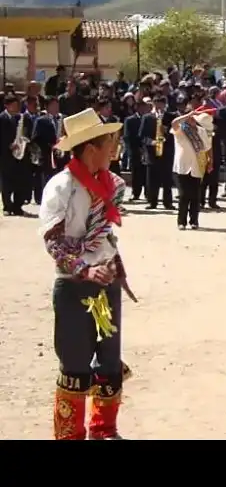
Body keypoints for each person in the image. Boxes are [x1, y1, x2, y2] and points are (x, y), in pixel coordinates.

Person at [38, 108, 130, 440]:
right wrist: (84, 269)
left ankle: (104, 429)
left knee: (109, 358)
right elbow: (55, 243)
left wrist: (108, 268)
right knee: (75, 362)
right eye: (108, 142)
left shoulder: (111, 185)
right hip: (75, 286)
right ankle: (69, 434)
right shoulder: (60, 187)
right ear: (91, 147)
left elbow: (103, 236)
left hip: (106, 285)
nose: (113, 148)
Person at [170, 107, 214, 230]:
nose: (192, 119)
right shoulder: (181, 129)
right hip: (182, 167)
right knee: (184, 195)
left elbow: (208, 147)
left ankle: (194, 221)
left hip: (197, 165)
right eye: (190, 117)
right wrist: (187, 115)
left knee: (195, 196)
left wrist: (210, 162)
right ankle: (181, 221)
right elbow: (174, 123)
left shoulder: (201, 131)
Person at [139, 95, 175, 210]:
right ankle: (152, 201)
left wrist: (167, 131)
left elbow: (176, 133)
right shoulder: (147, 117)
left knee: (167, 179)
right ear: (153, 104)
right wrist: (152, 142)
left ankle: (168, 202)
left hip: (167, 151)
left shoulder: (171, 117)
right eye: (157, 104)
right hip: (152, 151)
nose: (159, 107)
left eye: (162, 104)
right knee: (152, 178)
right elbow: (142, 136)